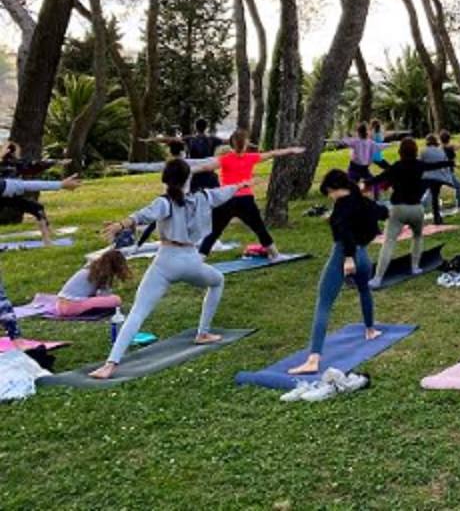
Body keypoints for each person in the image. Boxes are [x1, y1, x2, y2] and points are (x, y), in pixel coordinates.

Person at [88, 159, 248, 379]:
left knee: (138, 312)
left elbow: (142, 215)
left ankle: (110, 364)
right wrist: (241, 185)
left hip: (165, 262)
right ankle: (203, 333)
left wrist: (120, 225)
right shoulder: (202, 197)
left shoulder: (165, 202)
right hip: (191, 261)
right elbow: (223, 193)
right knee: (218, 281)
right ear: (187, 178)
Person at [287, 169, 385, 374]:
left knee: (323, 303)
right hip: (363, 254)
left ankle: (313, 359)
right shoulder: (362, 200)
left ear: (334, 189)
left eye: (330, 193)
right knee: (364, 290)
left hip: (344, 255)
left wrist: (348, 257)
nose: (331, 197)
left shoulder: (342, 206)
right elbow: (381, 213)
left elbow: (344, 231)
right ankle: (370, 330)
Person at [199, 130, 305, 258]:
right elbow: (273, 153)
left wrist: (184, 169)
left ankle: (198, 261)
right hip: (245, 200)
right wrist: (291, 150)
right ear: (245, 144)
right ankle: (276, 256)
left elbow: (205, 167)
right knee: (259, 229)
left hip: (226, 199)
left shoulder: (225, 159)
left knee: (214, 233)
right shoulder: (251, 157)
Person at [367, 137, 454, 286]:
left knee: (389, 242)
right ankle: (415, 267)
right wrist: (451, 163)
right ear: (415, 151)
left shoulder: (396, 166)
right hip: (416, 209)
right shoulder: (419, 165)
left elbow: (379, 178)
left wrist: (364, 184)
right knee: (418, 237)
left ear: (400, 152)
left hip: (398, 209)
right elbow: (434, 165)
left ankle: (377, 278)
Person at [0, 174, 82, 245]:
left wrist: (60, 184)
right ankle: (47, 239)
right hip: (7, 193)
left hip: (8, 195)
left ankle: (48, 239)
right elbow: (25, 185)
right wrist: (60, 184)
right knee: (36, 208)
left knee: (37, 208)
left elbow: (24, 185)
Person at [56, 249, 131, 317]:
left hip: (59, 306)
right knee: (116, 300)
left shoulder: (90, 269)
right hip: (73, 307)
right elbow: (104, 295)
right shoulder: (102, 274)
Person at [419, 133, 455, 225]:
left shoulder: (423, 151)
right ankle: (437, 218)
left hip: (426, 177)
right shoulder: (441, 151)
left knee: (420, 196)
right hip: (438, 178)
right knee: (435, 197)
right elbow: (445, 164)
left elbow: (419, 164)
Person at [440, 130, 460, 209]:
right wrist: (458, 166)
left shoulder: (439, 149)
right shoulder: (450, 150)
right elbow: (453, 161)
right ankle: (459, 205)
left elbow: (457, 146)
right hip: (448, 174)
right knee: (459, 186)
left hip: (437, 174)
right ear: (449, 139)